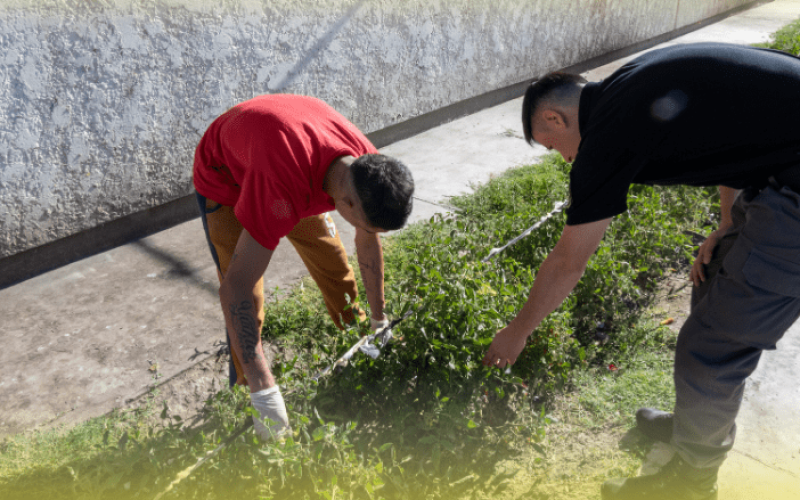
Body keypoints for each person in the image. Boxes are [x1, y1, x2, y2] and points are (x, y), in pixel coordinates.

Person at [482, 42, 800, 499]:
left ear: (554, 118)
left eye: (553, 147)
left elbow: (569, 261)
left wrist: (518, 330)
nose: (564, 159)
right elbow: (735, 131)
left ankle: (692, 481)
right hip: (781, 169)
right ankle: (694, 425)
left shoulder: (609, 132)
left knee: (711, 349)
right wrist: (727, 222)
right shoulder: (630, 86)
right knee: (711, 281)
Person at [193, 94, 414, 440]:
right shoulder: (280, 190)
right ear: (346, 203)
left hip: (283, 153)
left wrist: (378, 317)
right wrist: (264, 390)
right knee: (248, 297)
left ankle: (357, 339)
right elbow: (233, 289)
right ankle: (249, 394)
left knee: (335, 265)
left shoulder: (365, 166)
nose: (369, 234)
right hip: (226, 180)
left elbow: (366, 240)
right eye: (368, 226)